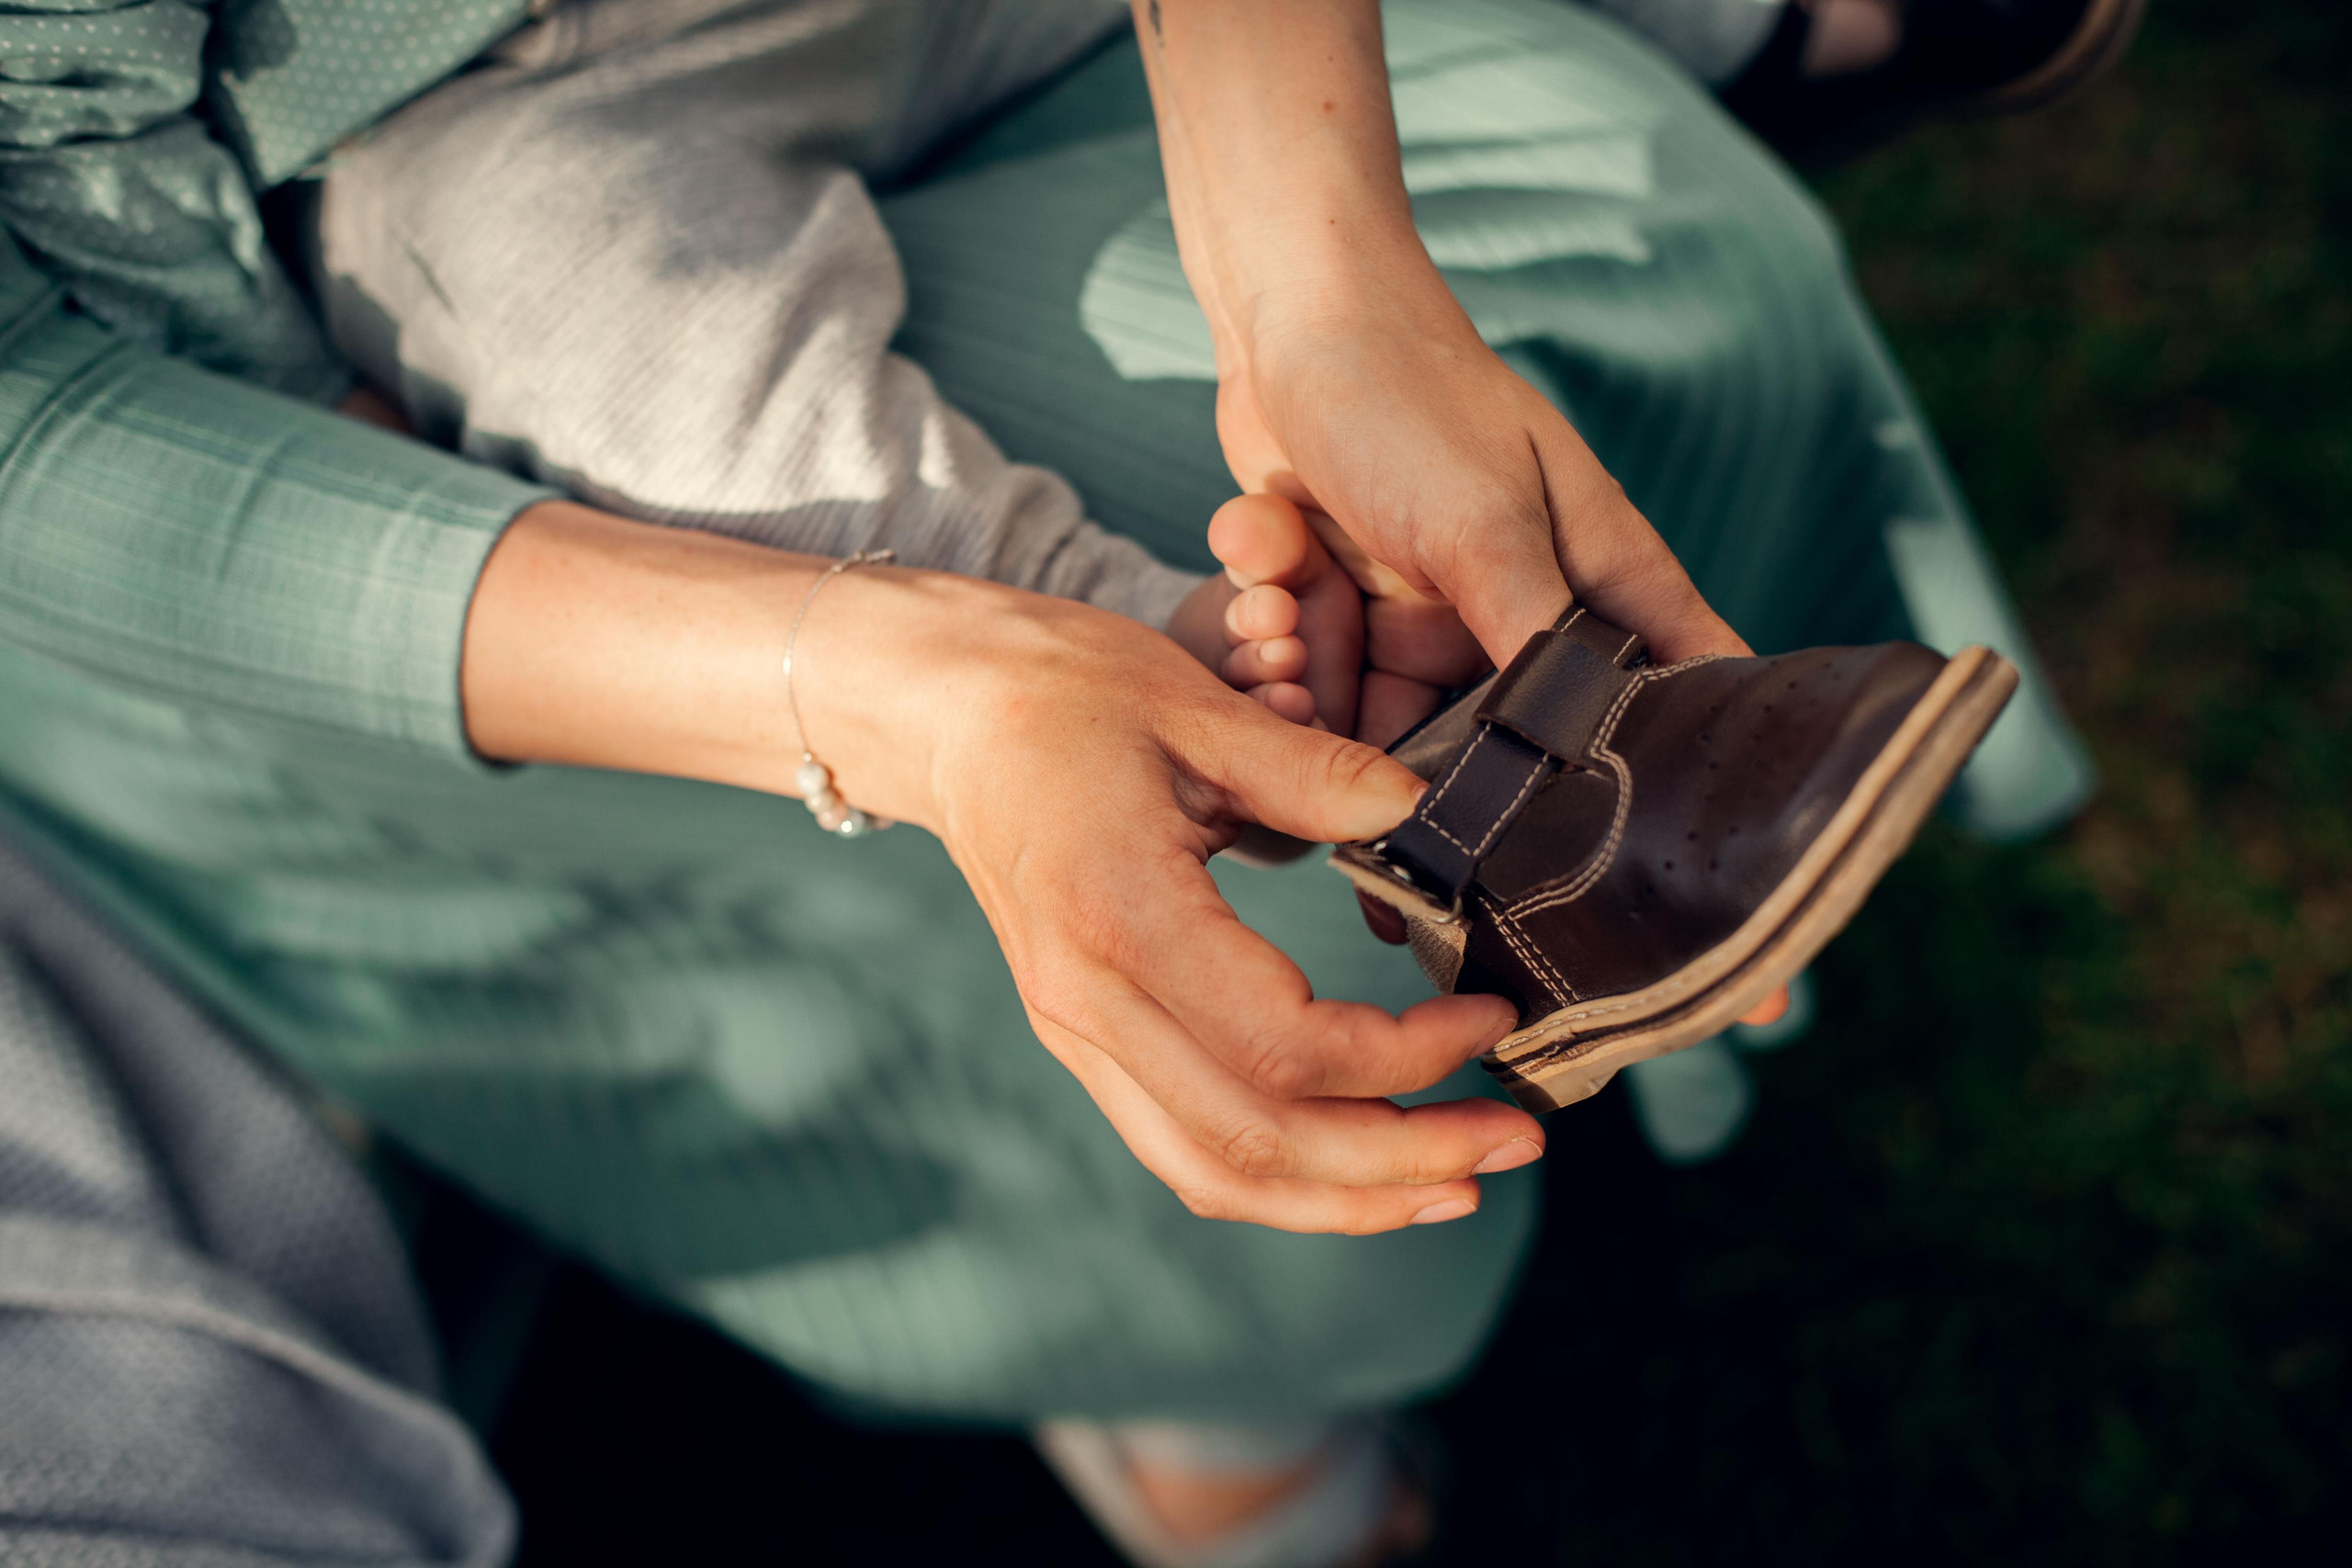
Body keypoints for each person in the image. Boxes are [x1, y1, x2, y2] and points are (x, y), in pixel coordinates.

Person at [0, 0, 2098, 1562]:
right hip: (413, 169)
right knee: (596, 312)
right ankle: (1196, 680)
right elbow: (45, 434)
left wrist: (1317, 270)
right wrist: (923, 679)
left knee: (1554, 234)